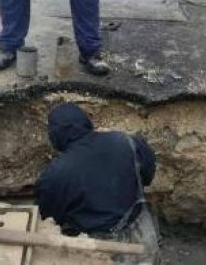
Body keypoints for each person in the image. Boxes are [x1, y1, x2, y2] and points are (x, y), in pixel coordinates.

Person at [37, 103, 160, 264]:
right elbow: (148, 176)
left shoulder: (56, 173)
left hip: (102, 249)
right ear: (86, 122)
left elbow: (50, 217)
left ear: (55, 135)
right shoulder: (127, 141)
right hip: (143, 234)